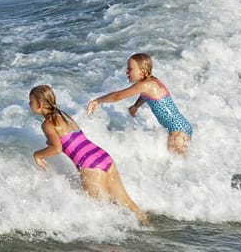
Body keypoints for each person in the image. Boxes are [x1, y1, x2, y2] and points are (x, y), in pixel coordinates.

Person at [27, 85, 148, 223]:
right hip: (103, 156)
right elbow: (68, 139)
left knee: (101, 212)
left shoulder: (47, 124)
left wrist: (38, 155)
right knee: (127, 202)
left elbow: (57, 148)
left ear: (40, 104)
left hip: (89, 165)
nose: (29, 104)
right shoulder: (64, 115)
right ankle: (148, 226)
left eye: (31, 101)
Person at [85, 52, 194, 155]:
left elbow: (117, 96)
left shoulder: (145, 85)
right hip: (181, 128)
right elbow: (145, 95)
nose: (126, 71)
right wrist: (136, 106)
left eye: (130, 69)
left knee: (177, 165)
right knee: (180, 163)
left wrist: (97, 101)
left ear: (143, 71)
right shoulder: (152, 82)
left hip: (178, 132)